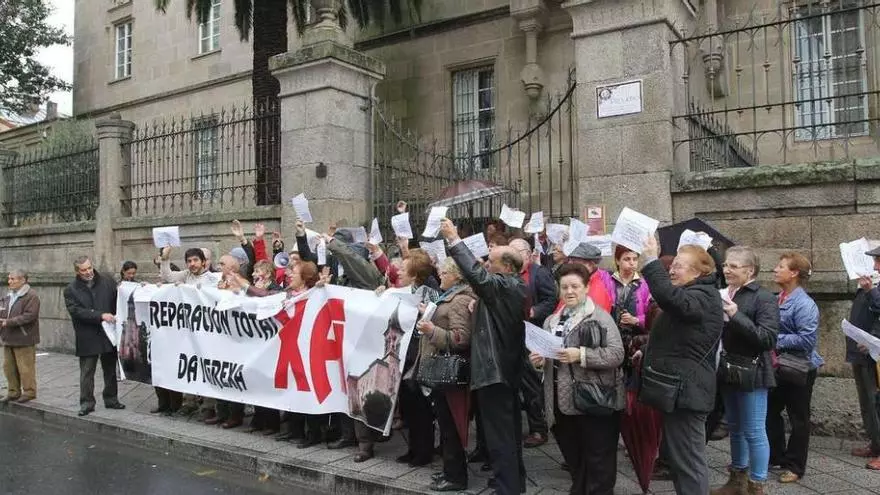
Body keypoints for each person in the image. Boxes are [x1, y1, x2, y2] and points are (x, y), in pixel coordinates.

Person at [440, 217, 527, 495]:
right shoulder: (509, 287)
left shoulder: (506, 285)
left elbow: (477, 276)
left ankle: (507, 487)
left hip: (495, 372)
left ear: (508, 267)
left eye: (491, 261)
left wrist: (454, 238)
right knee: (509, 432)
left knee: (500, 435)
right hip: (505, 370)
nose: (486, 264)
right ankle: (514, 482)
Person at [530, 263, 625, 495]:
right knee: (575, 461)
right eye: (564, 287)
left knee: (599, 463)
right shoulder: (551, 321)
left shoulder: (600, 318)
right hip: (560, 402)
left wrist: (581, 355)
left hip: (593, 401)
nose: (569, 291)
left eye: (575, 286)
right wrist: (539, 361)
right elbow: (549, 357)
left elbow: (616, 354)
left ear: (586, 287)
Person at [639, 238, 723, 495]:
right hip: (681, 390)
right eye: (672, 265)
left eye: (678, 266)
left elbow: (671, 299)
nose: (672, 270)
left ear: (698, 273)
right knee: (681, 462)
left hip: (688, 393)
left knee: (689, 463)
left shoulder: (702, 296)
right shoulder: (694, 293)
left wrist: (651, 260)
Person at [711, 246, 779, 495]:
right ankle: (737, 480)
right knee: (736, 429)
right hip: (729, 368)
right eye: (725, 265)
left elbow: (767, 338)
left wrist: (735, 315)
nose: (726, 270)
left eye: (733, 266)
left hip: (754, 372)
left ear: (750, 271)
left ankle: (756, 485)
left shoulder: (764, 297)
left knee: (754, 431)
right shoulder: (725, 292)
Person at [415, 258, 477, 492]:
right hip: (443, 373)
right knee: (445, 423)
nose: (440, 275)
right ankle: (449, 470)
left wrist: (432, 331)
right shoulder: (450, 296)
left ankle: (456, 477)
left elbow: (460, 338)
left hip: (452, 374)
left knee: (452, 425)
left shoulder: (460, 300)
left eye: (444, 272)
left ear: (456, 275)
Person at [767, 252, 823, 484]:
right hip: (779, 365)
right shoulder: (777, 298)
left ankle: (795, 465)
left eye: (781, 266)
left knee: (798, 418)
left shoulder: (804, 304)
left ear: (794, 273)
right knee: (770, 411)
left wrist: (774, 339)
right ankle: (776, 455)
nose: (775, 269)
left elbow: (807, 340)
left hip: (800, 368)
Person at [63, 256, 126, 417]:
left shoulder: (107, 281)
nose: (88, 272)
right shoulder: (71, 289)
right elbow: (76, 311)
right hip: (87, 335)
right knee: (87, 372)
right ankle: (87, 403)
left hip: (108, 333)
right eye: (83, 270)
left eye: (89, 268)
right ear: (77, 271)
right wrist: (100, 315)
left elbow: (119, 298)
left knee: (110, 369)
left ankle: (111, 399)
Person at [510, 238, 555, 448]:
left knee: (531, 384)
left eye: (517, 252)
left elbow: (551, 300)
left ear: (528, 255)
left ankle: (538, 428)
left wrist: (534, 311)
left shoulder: (539, 274)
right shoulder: (508, 274)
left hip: (533, 334)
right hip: (512, 335)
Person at [846, 246, 880, 468]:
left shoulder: (873, 288)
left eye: (878, 261)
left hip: (875, 353)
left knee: (877, 403)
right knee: (867, 401)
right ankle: (875, 443)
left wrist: (871, 291)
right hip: (863, 351)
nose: (875, 266)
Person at [0, 270, 41, 403]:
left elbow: (30, 316)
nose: (9, 281)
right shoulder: (8, 295)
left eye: (13, 279)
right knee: (8, 367)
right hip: (8, 336)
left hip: (24, 337)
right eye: (9, 279)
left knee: (25, 367)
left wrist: (8, 322)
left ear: (23, 280)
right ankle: (13, 391)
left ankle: (29, 392)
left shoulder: (31, 296)